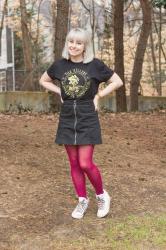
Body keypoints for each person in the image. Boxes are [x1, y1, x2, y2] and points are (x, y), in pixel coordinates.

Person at [39, 28, 123, 219]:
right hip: (67, 116)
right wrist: (60, 91)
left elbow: (117, 81)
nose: (73, 46)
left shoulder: (94, 65)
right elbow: (44, 80)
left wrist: (99, 95)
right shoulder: (60, 65)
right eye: (71, 41)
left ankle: (102, 195)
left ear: (85, 46)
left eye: (78, 43)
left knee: (85, 162)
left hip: (87, 116)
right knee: (74, 163)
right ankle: (82, 200)